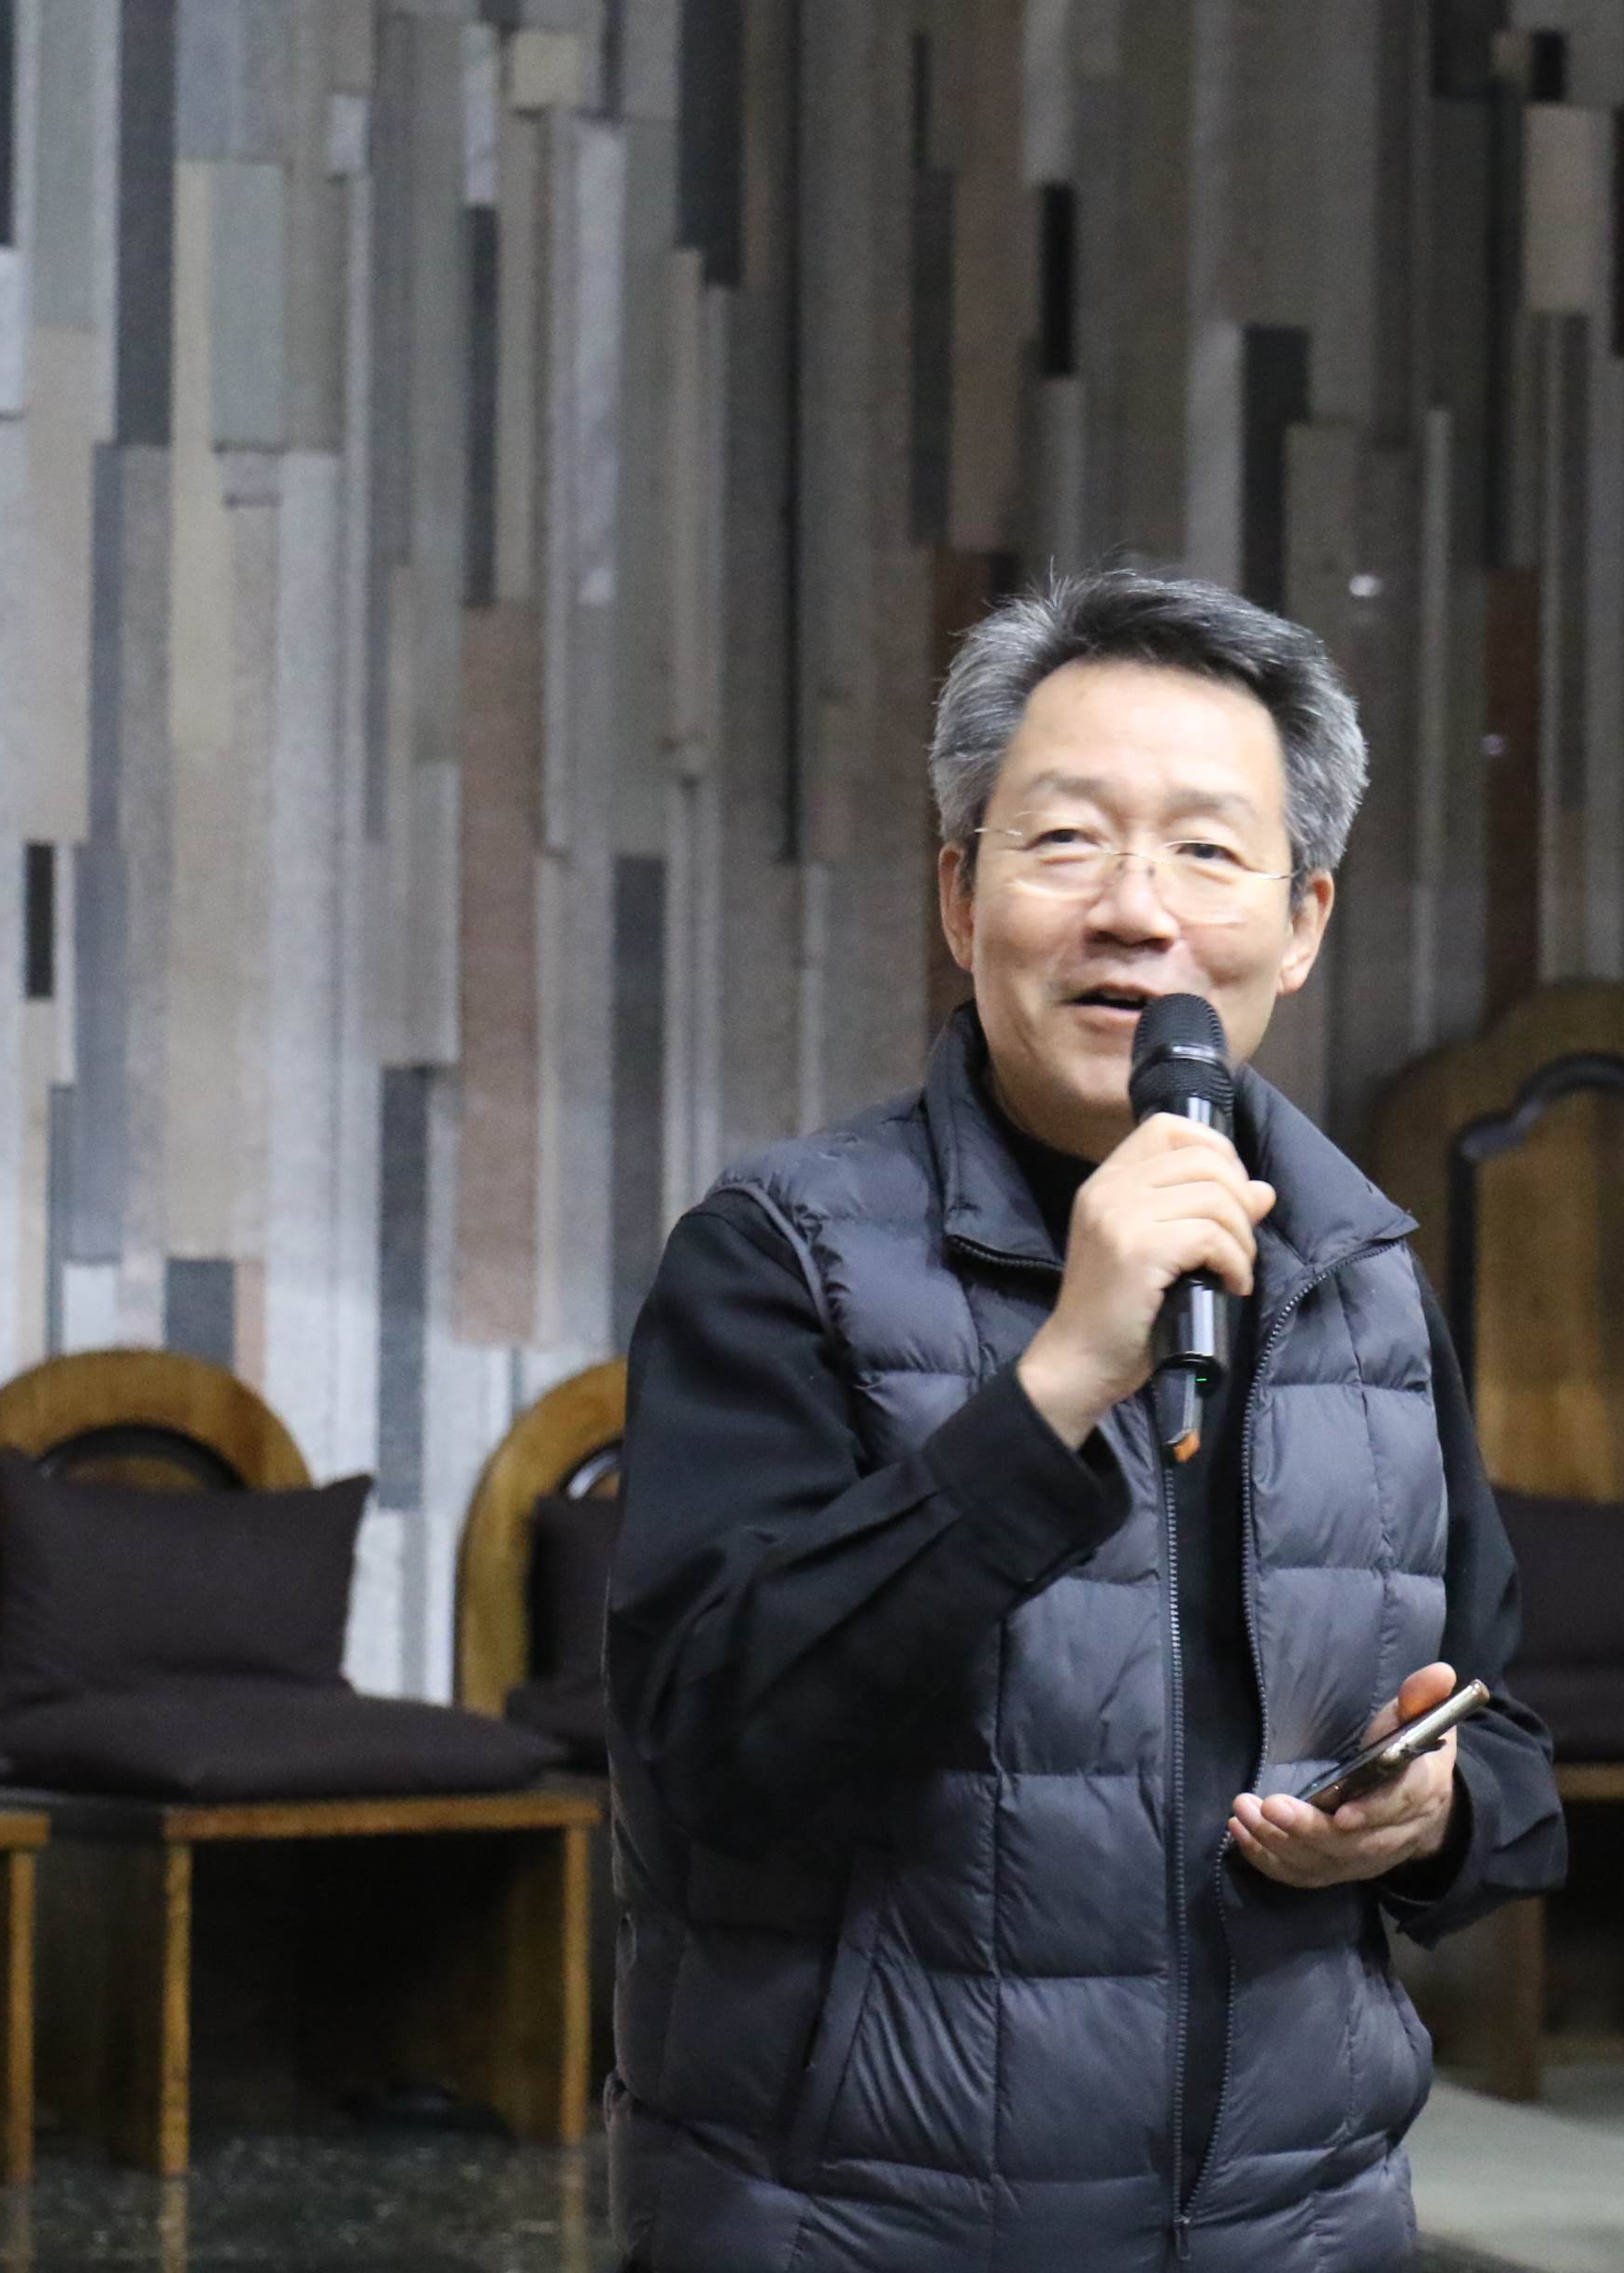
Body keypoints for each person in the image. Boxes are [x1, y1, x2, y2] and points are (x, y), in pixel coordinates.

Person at [603, 568, 1567, 2271]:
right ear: (960, 898)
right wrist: (1058, 1380)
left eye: (1206, 850)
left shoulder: (1362, 1281)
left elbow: (1504, 1738)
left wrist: (1438, 1812)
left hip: (1295, 2224)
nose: (1136, 910)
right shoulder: (780, 1258)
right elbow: (709, 1754)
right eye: (1064, 842)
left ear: (1303, 920)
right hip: (866, 2222)